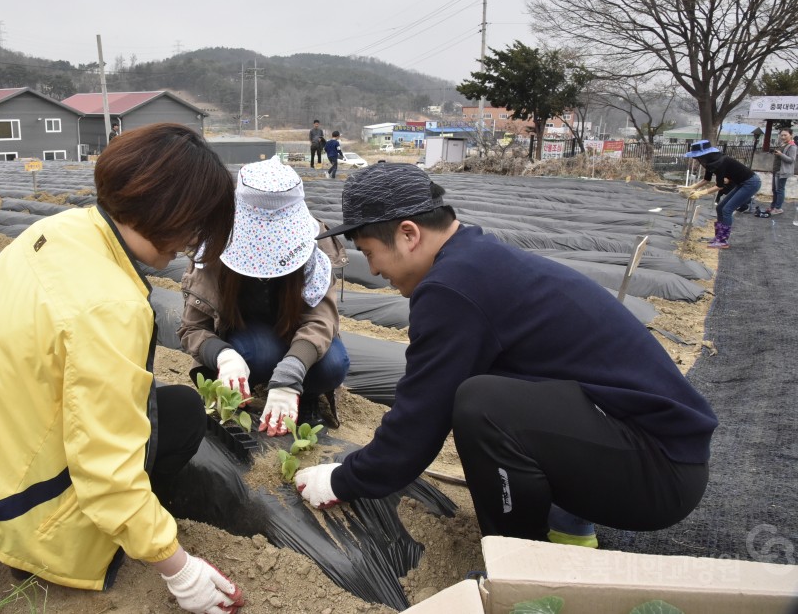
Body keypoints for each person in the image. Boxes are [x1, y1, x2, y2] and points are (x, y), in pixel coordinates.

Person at [0, 123, 244, 612]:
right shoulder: (110, 305)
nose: (192, 245)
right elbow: (106, 469)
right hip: (2, 502)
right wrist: (177, 566)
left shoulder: (59, 230)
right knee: (183, 413)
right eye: (196, 228)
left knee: (155, 401)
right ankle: (44, 546)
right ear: (173, 214)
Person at [293, 163, 717, 550]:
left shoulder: (451, 288)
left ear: (408, 234)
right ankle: (569, 528)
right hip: (658, 451)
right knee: (510, 388)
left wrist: (345, 479)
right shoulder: (476, 260)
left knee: (483, 405)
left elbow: (420, 421)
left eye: (369, 253)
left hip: (658, 474)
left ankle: (521, 559)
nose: (375, 268)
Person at [179, 157, 350, 435]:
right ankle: (244, 380)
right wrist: (222, 356)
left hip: (293, 329)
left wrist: (292, 371)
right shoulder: (215, 243)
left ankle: (303, 396)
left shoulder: (315, 244)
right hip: (248, 337)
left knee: (332, 365)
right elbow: (192, 328)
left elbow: (320, 320)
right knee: (260, 354)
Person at [679, 139, 762, 248]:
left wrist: (700, 193)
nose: (697, 159)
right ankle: (718, 237)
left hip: (751, 183)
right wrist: (691, 187)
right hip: (741, 183)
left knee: (727, 210)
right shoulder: (709, 163)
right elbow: (706, 179)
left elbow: (720, 186)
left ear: (706, 155)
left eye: (698, 157)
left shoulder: (721, 162)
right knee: (719, 208)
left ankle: (723, 241)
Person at [768, 128, 795, 215]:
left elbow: (791, 160)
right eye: (782, 135)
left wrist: (780, 154)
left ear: (791, 135)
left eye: (785, 135)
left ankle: (778, 208)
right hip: (776, 170)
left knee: (779, 190)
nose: (783, 137)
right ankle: (773, 206)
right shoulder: (782, 144)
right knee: (774, 189)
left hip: (782, 171)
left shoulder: (792, 146)